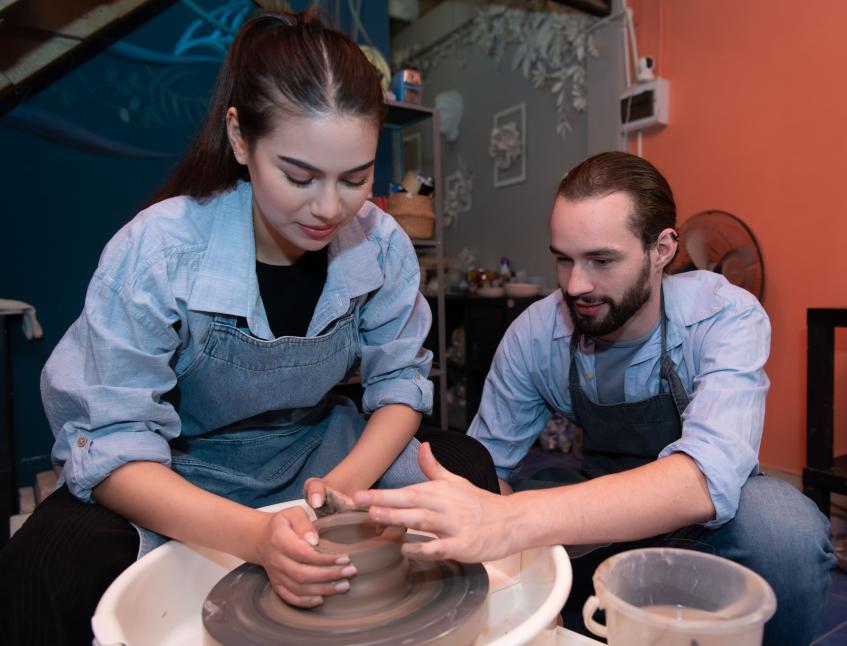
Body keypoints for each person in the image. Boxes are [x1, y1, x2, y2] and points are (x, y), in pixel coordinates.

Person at [0, 10, 497, 645]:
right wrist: (257, 536)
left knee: (466, 470)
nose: (328, 208)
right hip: (179, 468)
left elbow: (399, 386)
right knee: (39, 573)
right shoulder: (158, 250)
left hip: (316, 454)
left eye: (355, 178)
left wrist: (336, 493)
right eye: (299, 175)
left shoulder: (381, 244)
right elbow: (113, 445)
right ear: (240, 138)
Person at [355, 152, 836, 645]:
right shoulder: (535, 335)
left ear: (662, 249)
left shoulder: (724, 316)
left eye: (602, 261)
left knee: (784, 531)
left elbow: (704, 481)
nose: (575, 285)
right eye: (564, 259)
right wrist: (509, 567)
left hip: (704, 529)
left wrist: (512, 522)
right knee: (421, 473)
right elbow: (487, 471)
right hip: (597, 516)